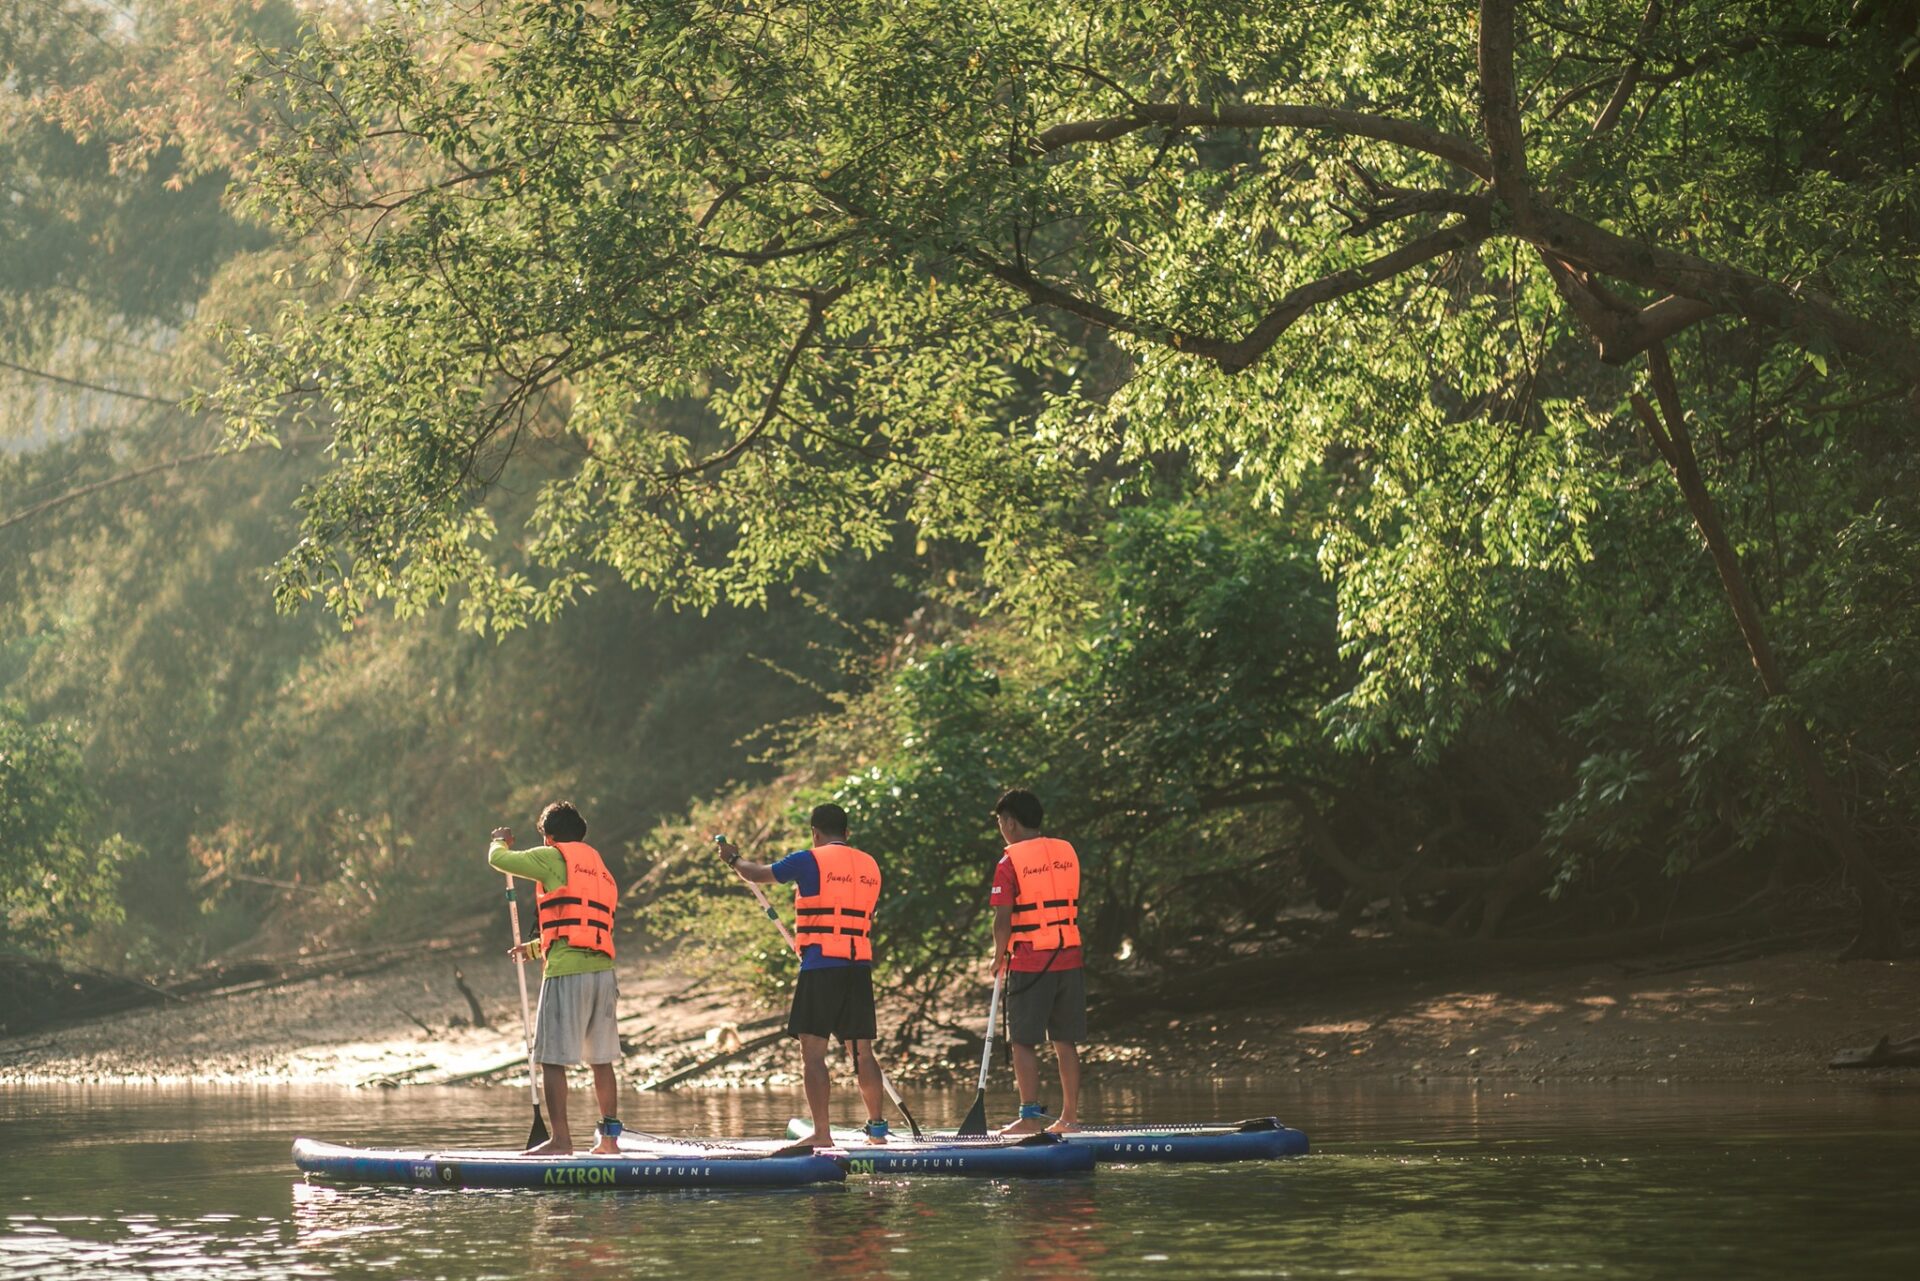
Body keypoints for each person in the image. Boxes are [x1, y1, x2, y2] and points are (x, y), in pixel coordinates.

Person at [715, 803, 890, 1147]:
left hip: (822, 965)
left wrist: (733, 859)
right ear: (847, 832)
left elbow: (756, 873)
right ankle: (878, 1130)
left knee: (812, 1053)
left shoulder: (809, 859)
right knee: (862, 1052)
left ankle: (822, 1134)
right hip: (858, 968)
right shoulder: (870, 865)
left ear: (815, 833)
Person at [490, 801, 623, 1156]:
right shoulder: (600, 869)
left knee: (551, 1059)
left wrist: (499, 841)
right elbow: (578, 924)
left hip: (567, 973)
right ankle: (609, 1142)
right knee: (601, 1060)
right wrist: (533, 949)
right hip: (604, 974)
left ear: (549, 837)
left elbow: (499, 861)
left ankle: (561, 1141)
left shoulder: (552, 857)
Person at [989, 788, 1085, 1135]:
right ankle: (1070, 1118)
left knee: (1023, 1040)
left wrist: (999, 954)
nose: (1001, 828)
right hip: (1069, 954)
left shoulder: (1009, 862)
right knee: (1065, 1040)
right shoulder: (1066, 851)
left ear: (1010, 823)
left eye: (1001, 822)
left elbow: (1003, 918)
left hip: (1031, 959)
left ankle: (1029, 1118)